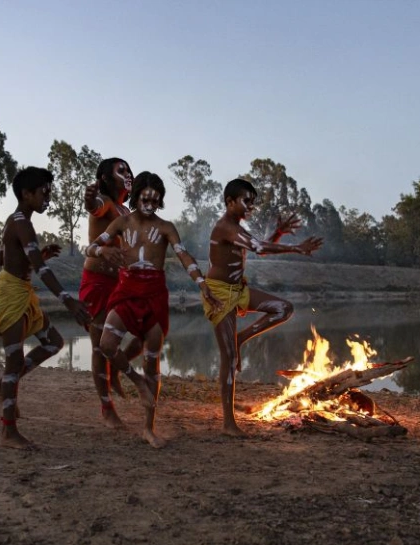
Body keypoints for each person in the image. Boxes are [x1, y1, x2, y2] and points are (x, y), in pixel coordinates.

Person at [84, 172, 222, 448]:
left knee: (152, 360)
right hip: (126, 291)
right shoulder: (121, 222)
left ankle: (149, 428)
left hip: (155, 296)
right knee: (107, 344)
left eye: (155, 196)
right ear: (137, 196)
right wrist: (103, 252)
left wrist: (202, 283)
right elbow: (90, 248)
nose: (150, 200)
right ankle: (136, 381)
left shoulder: (167, 227)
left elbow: (184, 255)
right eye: (145, 194)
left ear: (160, 200)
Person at [205, 179, 323, 436]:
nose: (251, 206)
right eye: (246, 201)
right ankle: (228, 423)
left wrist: (278, 234)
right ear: (229, 202)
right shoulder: (225, 227)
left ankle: (241, 337)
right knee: (229, 358)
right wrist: (297, 248)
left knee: (283, 309)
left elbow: (260, 247)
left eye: (253, 202)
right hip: (220, 294)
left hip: (239, 291)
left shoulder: (237, 227)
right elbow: (258, 247)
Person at [0, 167, 92, 449]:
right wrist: (68, 300)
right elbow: (42, 270)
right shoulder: (21, 222)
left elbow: (2, 257)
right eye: (43, 193)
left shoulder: (18, 221)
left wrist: (34, 256)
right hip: (11, 296)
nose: (47, 198)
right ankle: (8, 432)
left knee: (54, 342)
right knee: (13, 364)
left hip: (22, 294)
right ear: (26, 194)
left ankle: (2, 386)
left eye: (49, 192)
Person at [80, 158, 143, 428]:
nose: (127, 174)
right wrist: (89, 200)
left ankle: (117, 367)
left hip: (122, 283)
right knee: (100, 347)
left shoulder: (126, 209)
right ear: (105, 178)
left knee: (147, 330)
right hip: (98, 283)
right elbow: (95, 208)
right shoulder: (105, 202)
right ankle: (107, 409)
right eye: (121, 170)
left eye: (129, 169)